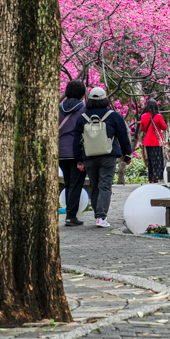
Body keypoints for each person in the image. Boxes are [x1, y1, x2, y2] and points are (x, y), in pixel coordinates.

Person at [75, 87, 132, 228]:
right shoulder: (113, 116)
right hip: (108, 156)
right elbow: (123, 137)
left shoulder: (82, 118)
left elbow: (76, 141)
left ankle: (97, 215)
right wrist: (127, 154)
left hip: (89, 156)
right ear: (105, 99)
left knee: (94, 186)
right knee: (105, 186)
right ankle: (101, 217)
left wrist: (79, 159)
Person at [58, 80, 88, 227]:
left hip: (60, 152)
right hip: (76, 152)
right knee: (76, 184)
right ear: (82, 93)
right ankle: (71, 216)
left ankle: (70, 214)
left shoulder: (58, 108)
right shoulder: (83, 108)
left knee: (68, 183)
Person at [137, 99, 169, 183]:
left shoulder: (143, 116)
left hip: (147, 142)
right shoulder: (158, 116)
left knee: (150, 160)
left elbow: (143, 128)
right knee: (158, 160)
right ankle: (156, 176)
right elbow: (164, 127)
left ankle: (150, 178)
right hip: (156, 142)